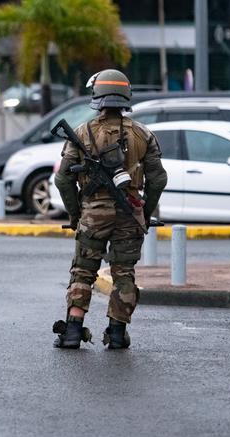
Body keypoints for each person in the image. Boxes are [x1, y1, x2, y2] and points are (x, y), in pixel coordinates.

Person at [53, 69, 167, 349]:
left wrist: (75, 214)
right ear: (126, 96)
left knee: (83, 271)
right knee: (124, 273)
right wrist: (145, 213)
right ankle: (117, 334)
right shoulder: (143, 134)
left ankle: (72, 331)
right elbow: (158, 179)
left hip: (93, 215)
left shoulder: (83, 132)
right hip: (130, 212)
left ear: (97, 96)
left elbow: (63, 179)